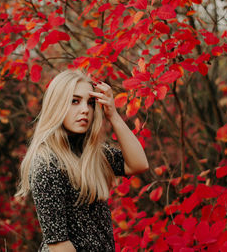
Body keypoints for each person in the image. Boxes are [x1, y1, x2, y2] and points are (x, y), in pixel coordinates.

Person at [16, 69, 149, 252]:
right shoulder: (47, 163)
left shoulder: (91, 153)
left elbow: (139, 164)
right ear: (57, 105)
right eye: (75, 101)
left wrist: (113, 115)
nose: (85, 110)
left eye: (91, 103)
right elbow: (58, 244)